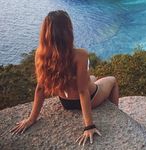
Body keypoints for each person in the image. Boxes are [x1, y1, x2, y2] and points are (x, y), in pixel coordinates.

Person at [10, 10, 119, 146]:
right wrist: (88, 125)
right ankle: (116, 113)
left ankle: (94, 83)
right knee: (112, 80)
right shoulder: (80, 54)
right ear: (68, 30)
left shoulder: (41, 54)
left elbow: (40, 88)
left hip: (65, 102)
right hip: (89, 99)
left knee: (92, 77)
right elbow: (82, 91)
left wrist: (32, 119)